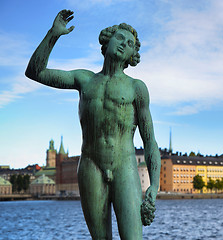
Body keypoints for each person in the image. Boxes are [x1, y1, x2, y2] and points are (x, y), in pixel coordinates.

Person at [25, 9, 160, 239]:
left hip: (125, 168)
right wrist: (53, 34)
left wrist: (154, 187)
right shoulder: (84, 80)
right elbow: (35, 72)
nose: (122, 44)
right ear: (107, 40)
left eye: (129, 43)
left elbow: (150, 142)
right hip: (90, 167)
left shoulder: (137, 88)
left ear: (131, 55)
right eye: (119, 38)